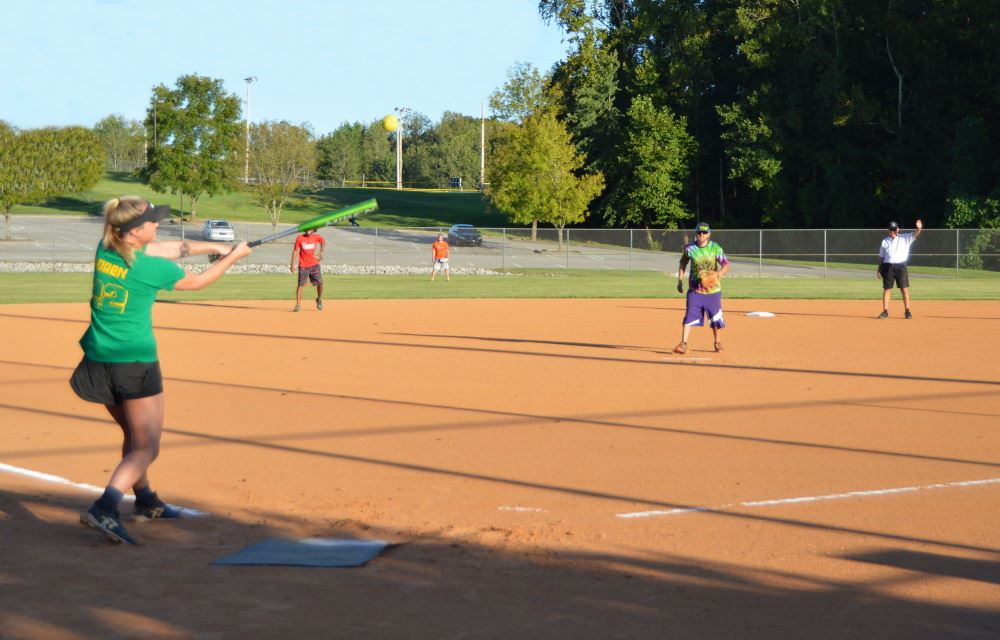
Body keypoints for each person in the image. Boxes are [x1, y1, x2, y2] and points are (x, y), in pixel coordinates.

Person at [71, 196, 251, 545]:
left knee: (132, 436)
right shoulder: (149, 269)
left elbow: (171, 248)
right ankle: (105, 507)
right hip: (134, 363)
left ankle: (146, 501)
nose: (158, 225)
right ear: (136, 232)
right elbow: (197, 283)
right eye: (153, 222)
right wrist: (233, 257)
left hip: (97, 358)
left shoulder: (107, 248)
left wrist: (215, 245)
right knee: (147, 446)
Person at [674, 222, 730, 354]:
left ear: (709, 234)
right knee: (689, 315)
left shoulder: (715, 248)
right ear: (696, 234)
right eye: (699, 232)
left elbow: (726, 265)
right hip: (695, 289)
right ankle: (683, 343)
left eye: (704, 232)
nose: (701, 235)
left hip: (713, 290)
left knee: (715, 317)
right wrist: (680, 281)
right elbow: (683, 262)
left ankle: (717, 342)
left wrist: (719, 275)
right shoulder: (689, 248)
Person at [877, 219, 923, 319]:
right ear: (888, 230)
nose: (892, 232)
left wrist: (918, 228)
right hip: (888, 266)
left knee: (904, 289)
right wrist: (879, 270)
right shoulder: (885, 241)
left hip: (901, 267)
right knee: (887, 289)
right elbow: (881, 257)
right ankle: (885, 311)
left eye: (894, 229)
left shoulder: (904, 238)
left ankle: (907, 311)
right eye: (891, 230)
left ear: (898, 229)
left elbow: (915, 234)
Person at [290, 228, 325, 311]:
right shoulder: (300, 238)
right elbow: (295, 251)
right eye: (307, 228)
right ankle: (297, 305)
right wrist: (292, 264)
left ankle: (319, 299)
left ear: (313, 229)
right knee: (300, 284)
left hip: (314, 264)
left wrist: (322, 252)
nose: (308, 230)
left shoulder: (316, 237)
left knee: (320, 283)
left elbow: (323, 241)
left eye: (310, 229)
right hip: (303, 265)